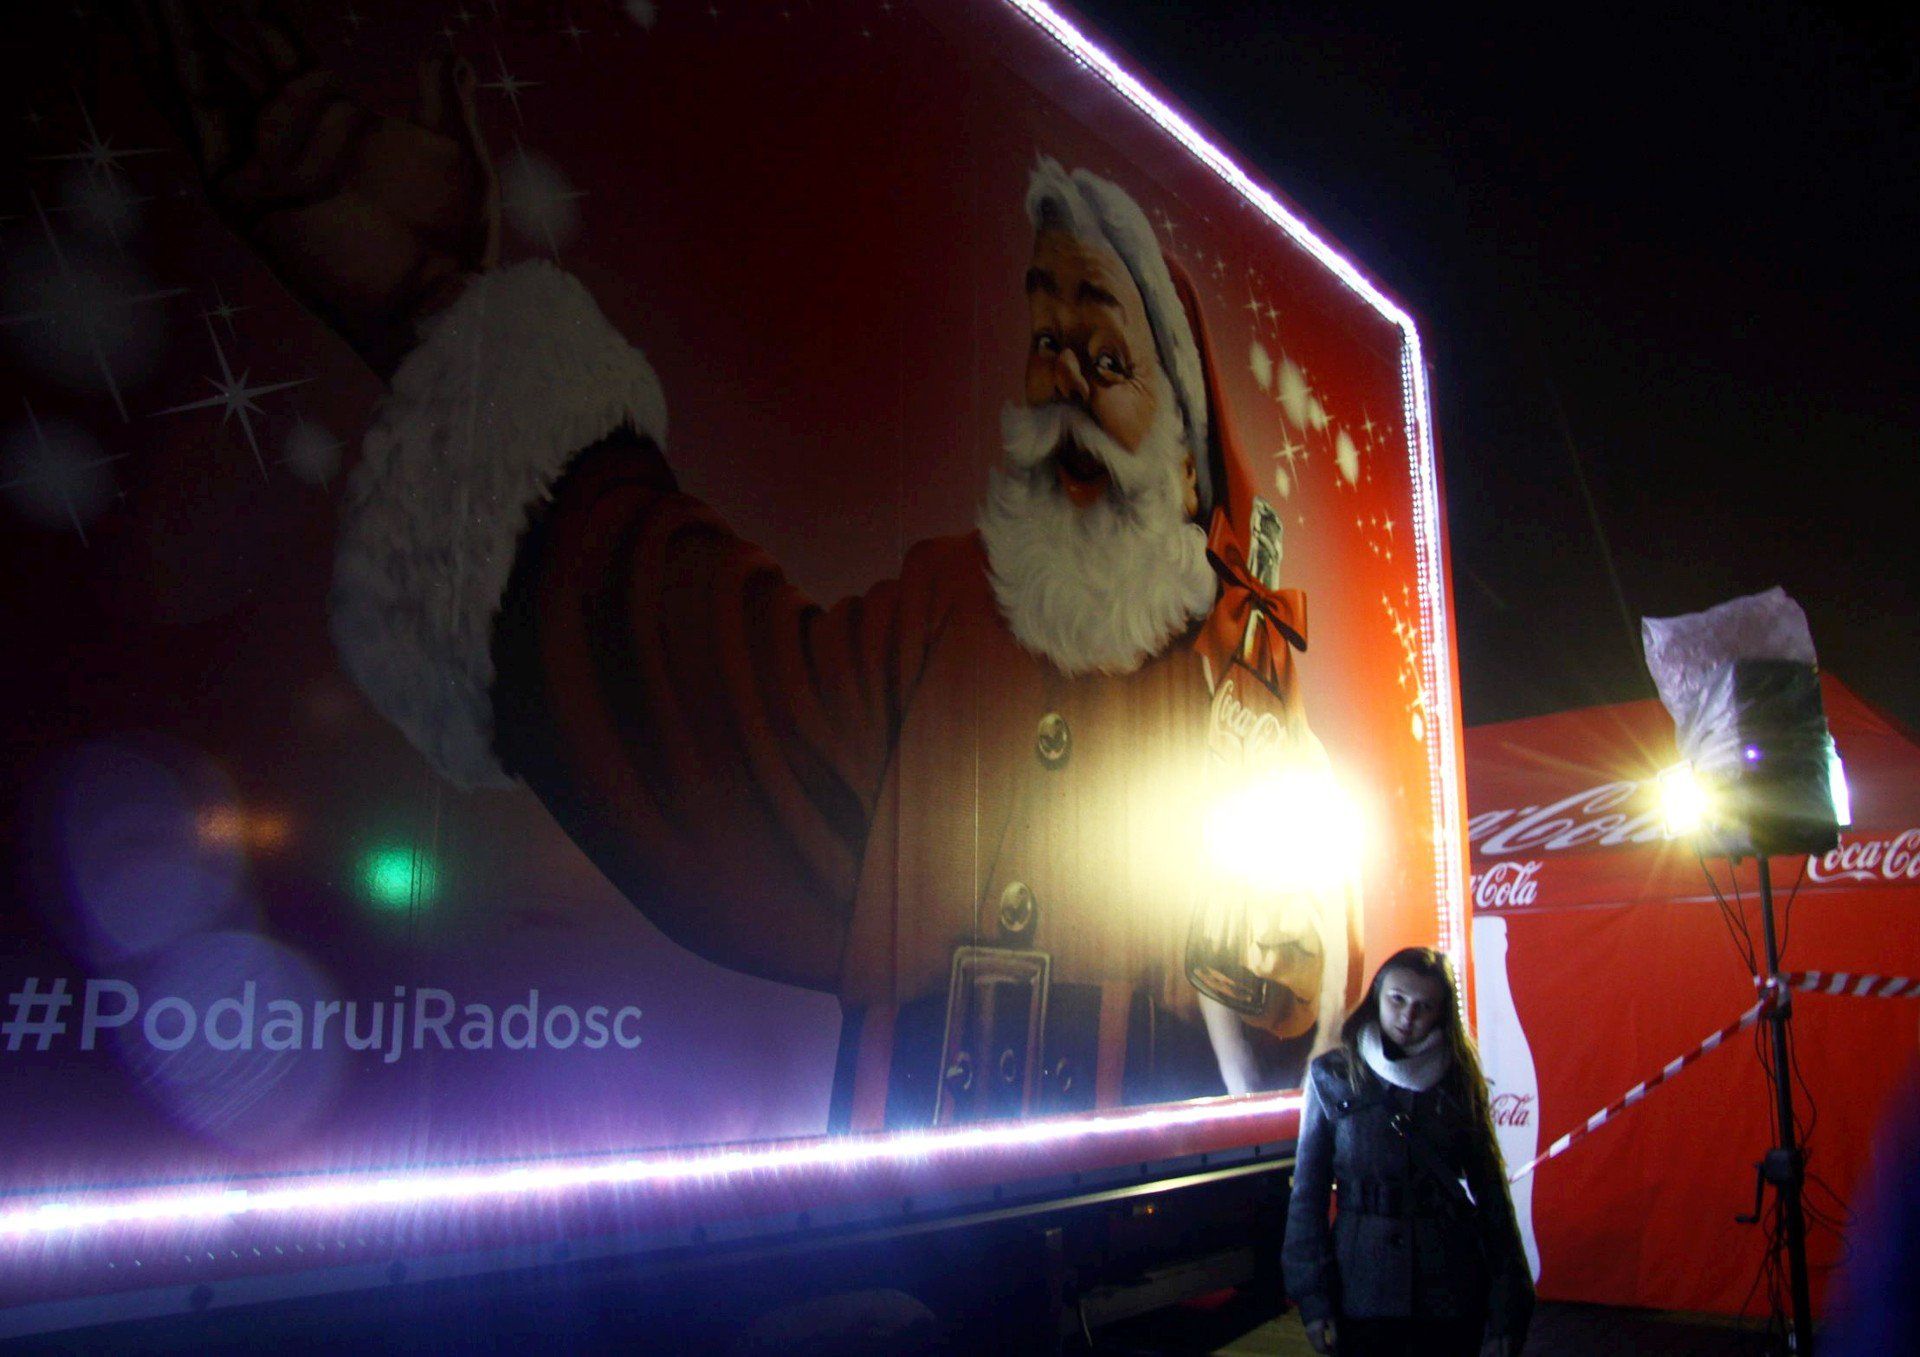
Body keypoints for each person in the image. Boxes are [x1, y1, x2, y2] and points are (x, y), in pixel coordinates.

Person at [128, 2, 1362, 1127]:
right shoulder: (954, 610)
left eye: (1106, 361)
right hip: (919, 1229)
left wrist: (1270, 989)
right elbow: (709, 694)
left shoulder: (1244, 708)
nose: (1063, 396)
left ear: (1190, 444)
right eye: (1046, 345)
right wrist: (430, 303)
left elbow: (1288, 1011)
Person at [1283, 948, 1534, 1356]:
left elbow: (1493, 1199)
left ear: (1441, 1014)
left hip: (1448, 1290)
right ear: (1377, 995)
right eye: (1397, 999)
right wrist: (1313, 1298)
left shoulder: (1458, 1080)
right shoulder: (1333, 1075)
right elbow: (1307, 1197)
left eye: (1424, 1006)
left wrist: (1511, 1305)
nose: (1408, 1017)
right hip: (1362, 1289)